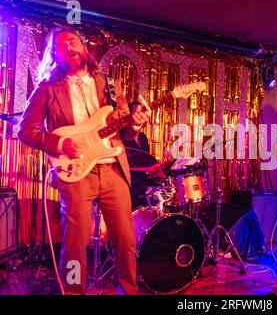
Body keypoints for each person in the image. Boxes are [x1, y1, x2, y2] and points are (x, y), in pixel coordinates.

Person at [18, 27, 174, 294]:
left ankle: (129, 290)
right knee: (75, 243)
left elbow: (124, 129)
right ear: (55, 54)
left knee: (125, 239)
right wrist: (61, 143)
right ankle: (73, 291)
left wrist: (135, 125)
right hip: (76, 171)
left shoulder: (109, 83)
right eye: (61, 45)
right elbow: (25, 130)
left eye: (73, 41)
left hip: (112, 167)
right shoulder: (47, 88)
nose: (69, 46)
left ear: (83, 45)